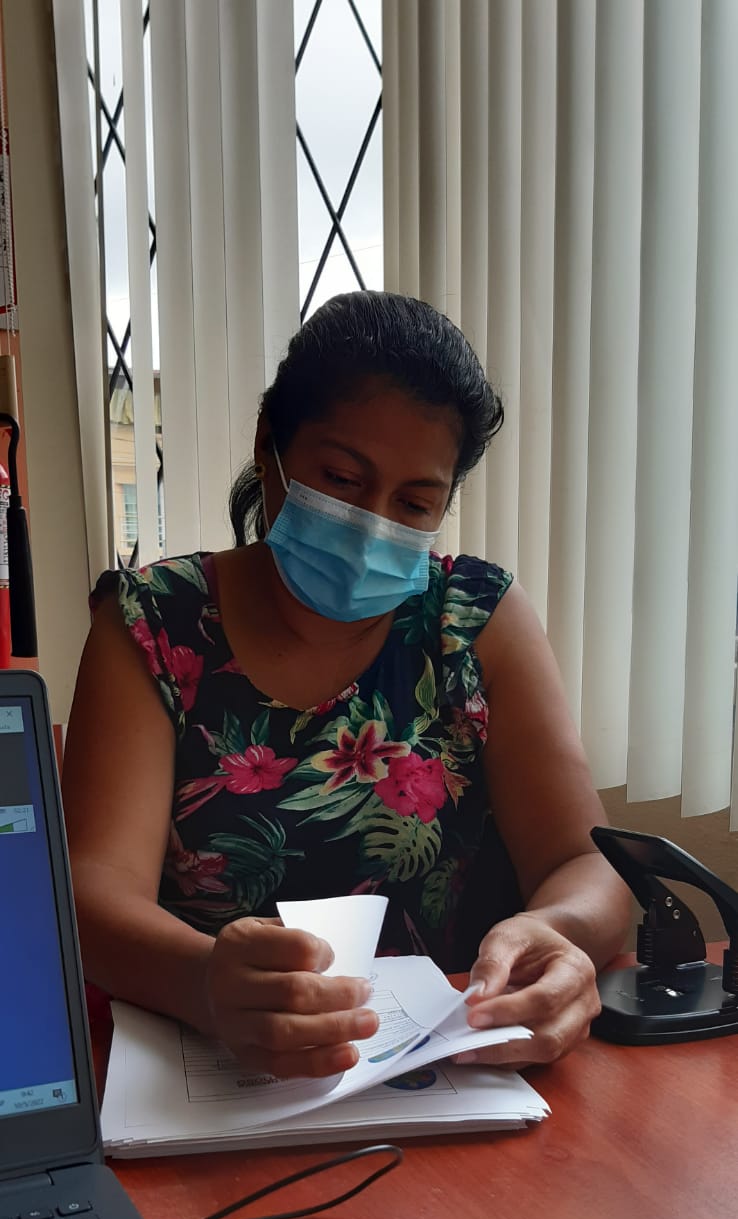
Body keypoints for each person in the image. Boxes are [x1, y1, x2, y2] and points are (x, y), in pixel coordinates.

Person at [62, 291, 630, 1080]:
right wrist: (203, 980)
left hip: (447, 1076)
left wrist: (558, 932)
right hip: (207, 1073)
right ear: (269, 446)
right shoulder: (153, 624)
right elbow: (90, 892)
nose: (371, 527)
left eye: (415, 503)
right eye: (340, 477)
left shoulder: (476, 620)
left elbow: (588, 864)